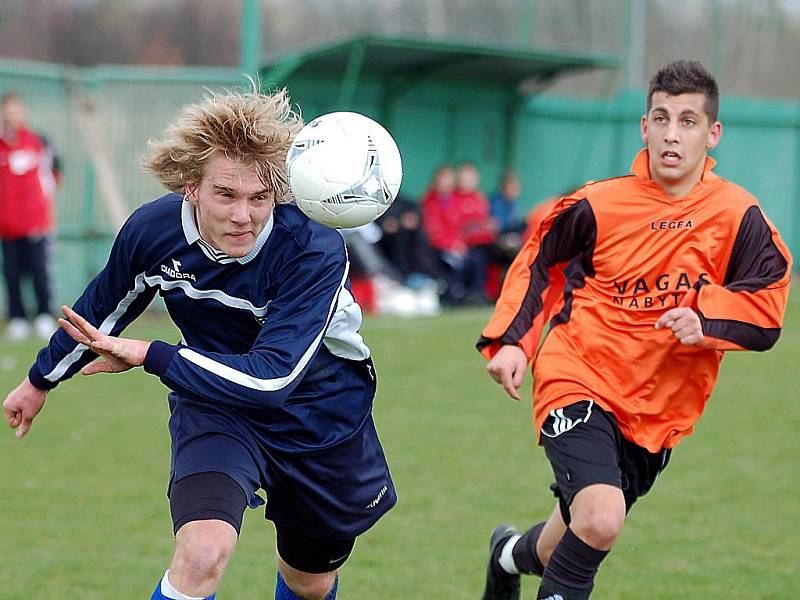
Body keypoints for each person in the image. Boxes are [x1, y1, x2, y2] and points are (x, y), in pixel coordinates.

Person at [3, 86, 396, 600]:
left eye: (260, 198)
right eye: (226, 195)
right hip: (216, 405)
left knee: (310, 584)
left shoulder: (313, 247)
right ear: (191, 186)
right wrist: (39, 381)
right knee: (202, 552)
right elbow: (101, 310)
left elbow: (271, 378)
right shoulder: (153, 231)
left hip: (318, 414)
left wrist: (153, 355)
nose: (244, 216)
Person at [477, 60, 792, 600]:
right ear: (644, 127)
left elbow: (769, 303)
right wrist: (512, 342)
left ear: (712, 133)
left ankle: (506, 558)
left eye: (688, 121)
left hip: (657, 411)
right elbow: (539, 262)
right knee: (600, 517)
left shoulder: (738, 215)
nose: (673, 134)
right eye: (662, 118)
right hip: (579, 376)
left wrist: (707, 319)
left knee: (569, 541)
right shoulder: (599, 204)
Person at [0, 92, 61, 341]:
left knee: (39, 271)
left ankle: (44, 315)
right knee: (12, 273)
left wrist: (43, 211)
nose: (13, 115)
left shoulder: (39, 142)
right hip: (7, 226)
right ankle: (17, 318)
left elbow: (54, 174)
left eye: (17, 110)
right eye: (9, 111)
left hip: (36, 224)